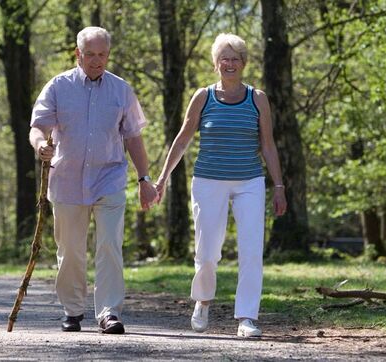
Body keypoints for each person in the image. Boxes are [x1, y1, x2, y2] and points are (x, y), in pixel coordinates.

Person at [154, 33, 287, 338]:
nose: (229, 63)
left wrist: (278, 186)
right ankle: (202, 299)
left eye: (235, 58)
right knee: (208, 250)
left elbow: (267, 145)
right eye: (224, 58)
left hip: (250, 181)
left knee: (252, 249)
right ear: (215, 63)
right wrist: (163, 178)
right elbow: (184, 138)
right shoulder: (203, 97)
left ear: (244, 63)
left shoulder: (258, 98)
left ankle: (247, 317)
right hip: (208, 180)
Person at [29, 26, 157, 334]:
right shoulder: (58, 87)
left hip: (109, 177)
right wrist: (40, 146)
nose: (97, 61)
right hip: (67, 180)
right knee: (70, 249)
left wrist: (144, 178)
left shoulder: (121, 90)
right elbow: (37, 126)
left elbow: (134, 138)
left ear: (108, 55)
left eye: (102, 55)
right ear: (78, 54)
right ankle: (73, 310)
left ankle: (109, 312)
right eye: (90, 55)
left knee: (110, 245)